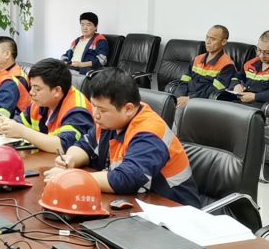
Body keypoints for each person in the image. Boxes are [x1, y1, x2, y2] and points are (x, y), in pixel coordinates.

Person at [45, 68, 200, 207]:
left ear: (128, 109)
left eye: (102, 110)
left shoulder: (150, 132)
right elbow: (85, 145)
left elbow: (125, 179)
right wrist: (71, 159)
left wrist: (73, 178)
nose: (95, 114)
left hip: (174, 212)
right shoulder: (109, 122)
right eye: (94, 106)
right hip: (137, 204)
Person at [0, 58, 95, 152]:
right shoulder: (39, 102)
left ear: (57, 91)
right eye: (31, 87)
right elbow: (20, 123)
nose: (31, 92)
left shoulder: (77, 109)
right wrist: (6, 125)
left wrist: (22, 132)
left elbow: (63, 146)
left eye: (37, 89)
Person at [172, 25, 235, 108]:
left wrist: (189, 99)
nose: (208, 42)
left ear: (223, 42)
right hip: (184, 98)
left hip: (200, 103)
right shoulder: (197, 59)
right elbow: (184, 81)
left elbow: (213, 91)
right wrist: (177, 98)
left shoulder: (227, 65)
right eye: (207, 37)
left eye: (213, 39)